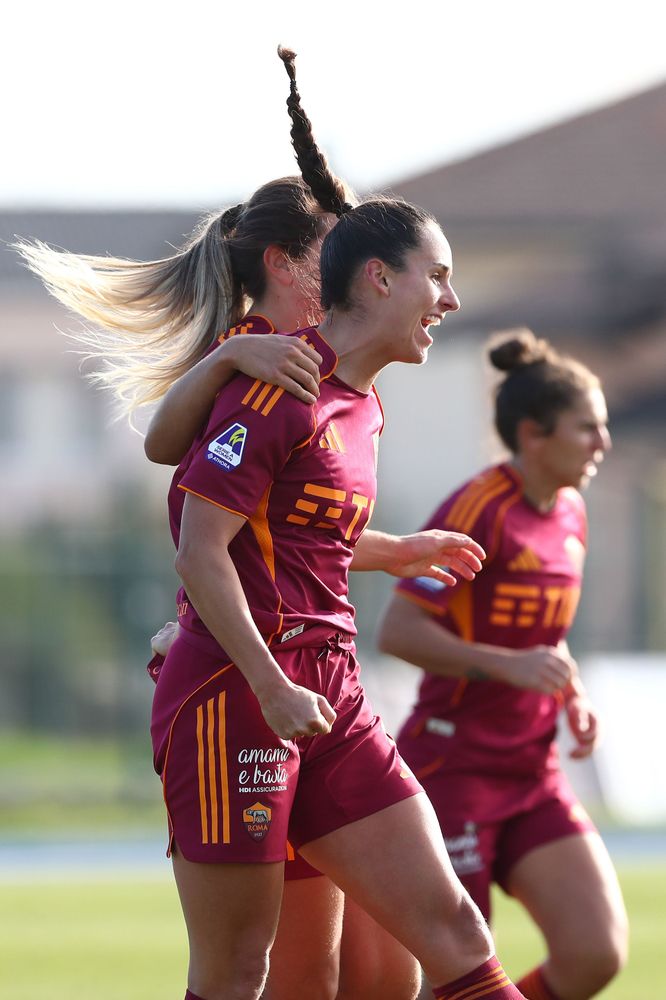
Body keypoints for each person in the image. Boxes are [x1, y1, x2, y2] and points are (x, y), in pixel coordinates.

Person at [17, 51, 531, 1000]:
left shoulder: (350, 396)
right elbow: (190, 505)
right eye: (435, 278)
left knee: (406, 956)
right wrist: (229, 364)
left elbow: (296, 536)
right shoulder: (262, 372)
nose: (446, 301)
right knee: (269, 974)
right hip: (241, 683)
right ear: (318, 269)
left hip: (321, 681)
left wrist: (397, 550)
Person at [378, 329, 629, 1000]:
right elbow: (398, 630)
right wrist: (505, 667)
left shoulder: (571, 512)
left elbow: (544, 634)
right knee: (456, 974)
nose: (602, 443)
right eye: (588, 429)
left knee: (595, 952)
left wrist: (567, 689)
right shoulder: (478, 510)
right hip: (453, 767)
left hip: (532, 769)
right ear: (534, 435)